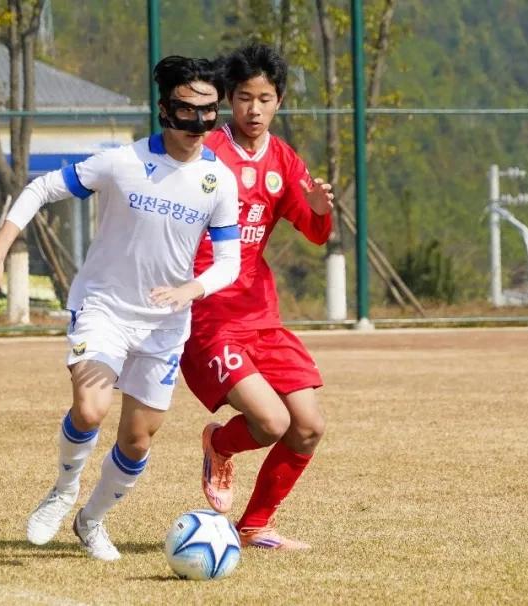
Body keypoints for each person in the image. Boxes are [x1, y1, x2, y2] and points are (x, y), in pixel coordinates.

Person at [0, 55, 240, 562]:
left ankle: (90, 520)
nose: (199, 125)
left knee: (137, 442)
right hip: (105, 309)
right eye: (187, 112)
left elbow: (229, 262)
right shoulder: (123, 162)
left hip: (165, 327)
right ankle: (64, 488)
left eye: (209, 114)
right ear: (164, 111)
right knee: (91, 408)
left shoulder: (220, 182)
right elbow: (40, 188)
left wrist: (192, 290)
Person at [179, 43, 334, 551]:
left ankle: (253, 526)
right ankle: (219, 443)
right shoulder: (205, 154)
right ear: (227, 100)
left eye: (264, 99)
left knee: (308, 426)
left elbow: (315, 233)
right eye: (244, 97)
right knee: (270, 422)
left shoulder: (284, 160)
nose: (254, 110)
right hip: (209, 315)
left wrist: (317, 209)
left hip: (260, 314)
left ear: (279, 101)